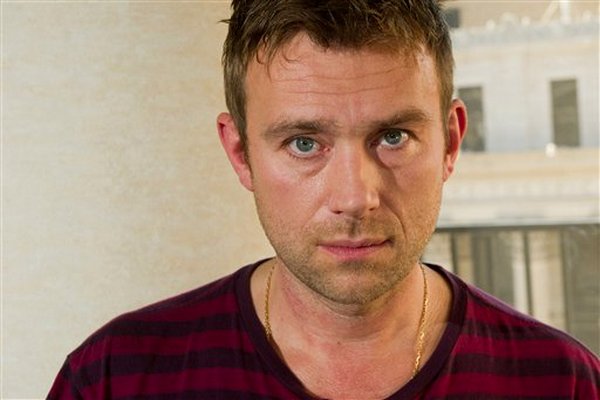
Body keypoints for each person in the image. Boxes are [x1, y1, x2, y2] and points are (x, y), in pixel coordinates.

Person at [48, 1, 599, 399]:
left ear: (451, 143)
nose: (355, 198)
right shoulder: (113, 379)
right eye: (304, 143)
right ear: (241, 154)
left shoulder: (563, 381)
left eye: (393, 137)